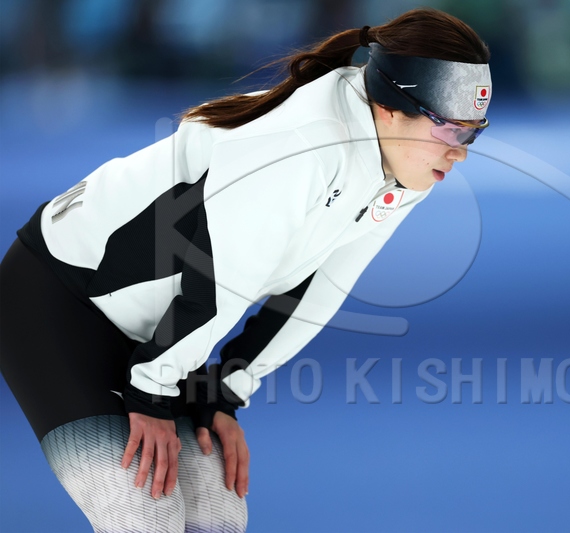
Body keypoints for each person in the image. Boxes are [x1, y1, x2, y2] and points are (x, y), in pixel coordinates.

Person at [0, 7, 491, 532]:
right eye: (450, 129)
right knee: (145, 515)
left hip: (168, 325)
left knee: (216, 518)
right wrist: (152, 393)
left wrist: (227, 389)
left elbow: (322, 286)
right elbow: (217, 283)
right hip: (61, 298)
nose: (460, 154)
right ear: (390, 107)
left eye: (473, 133)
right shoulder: (297, 147)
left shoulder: (405, 160)